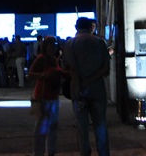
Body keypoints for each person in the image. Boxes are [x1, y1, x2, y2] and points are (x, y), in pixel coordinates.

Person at [64, 17, 111, 156]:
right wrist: (91, 80)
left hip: (79, 91)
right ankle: (103, 153)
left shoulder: (70, 44)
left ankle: (85, 153)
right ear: (91, 27)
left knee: (82, 129)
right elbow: (106, 69)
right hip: (98, 89)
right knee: (100, 125)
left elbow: (72, 69)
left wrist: (80, 84)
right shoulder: (99, 42)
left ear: (76, 27)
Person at [28, 36, 66, 156]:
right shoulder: (41, 59)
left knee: (52, 125)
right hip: (43, 95)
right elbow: (30, 74)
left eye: (54, 45)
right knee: (42, 126)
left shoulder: (53, 59)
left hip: (53, 95)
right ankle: (39, 152)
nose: (53, 47)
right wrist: (44, 75)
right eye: (50, 45)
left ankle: (51, 151)